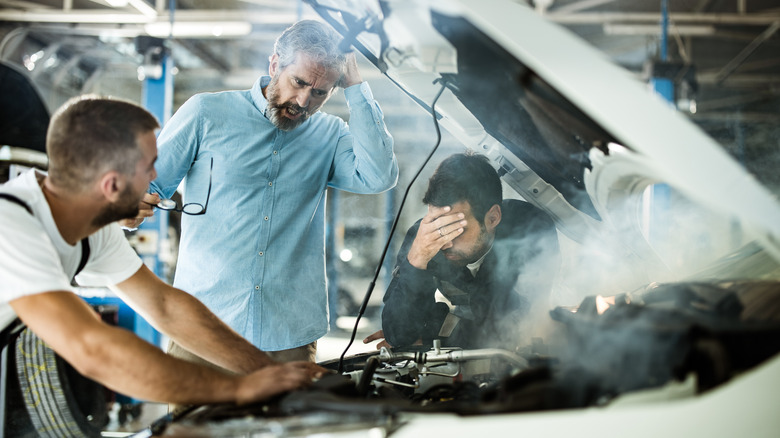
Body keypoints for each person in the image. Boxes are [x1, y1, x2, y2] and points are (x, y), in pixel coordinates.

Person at [0, 95, 324, 413]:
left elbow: (164, 306)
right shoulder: (12, 226)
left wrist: (266, 370)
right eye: (149, 167)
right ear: (111, 185)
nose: (155, 177)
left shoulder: (93, 228)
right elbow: (92, 349)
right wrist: (237, 388)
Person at [123, 19, 398, 364]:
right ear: (274, 65)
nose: (302, 101)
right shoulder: (206, 113)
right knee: (195, 420)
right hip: (204, 328)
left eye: (319, 93)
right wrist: (130, 209)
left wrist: (356, 88)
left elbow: (378, 177)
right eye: (298, 82)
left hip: (289, 336)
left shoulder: (330, 134)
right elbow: (145, 188)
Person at [363, 152, 560, 350]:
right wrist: (417, 259)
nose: (444, 242)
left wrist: (432, 337)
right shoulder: (425, 238)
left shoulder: (529, 230)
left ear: (492, 218)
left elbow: (517, 327)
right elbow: (398, 334)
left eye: (457, 229)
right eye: (438, 226)